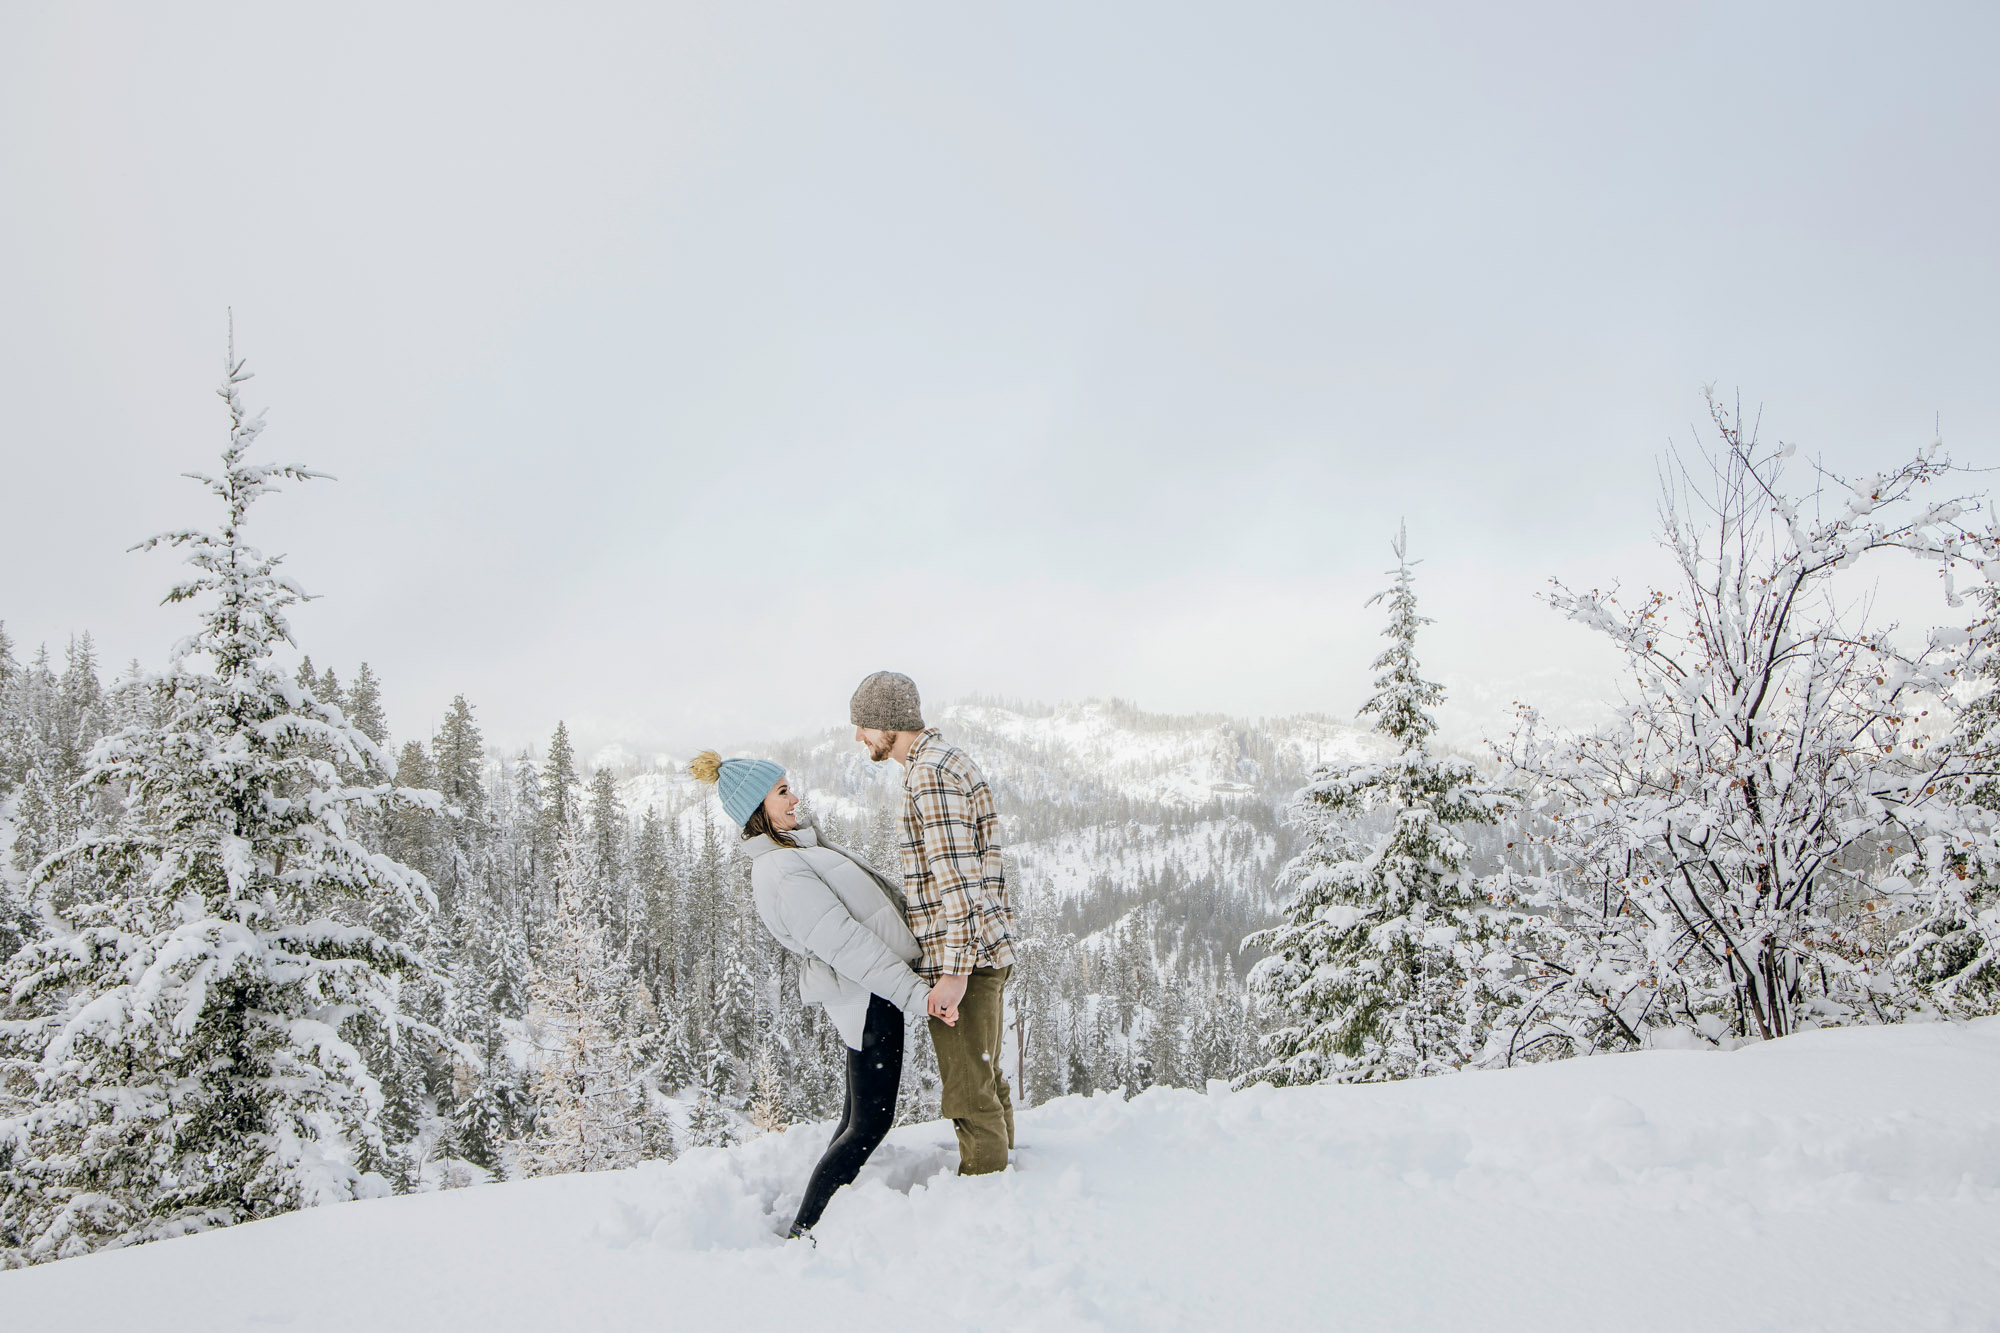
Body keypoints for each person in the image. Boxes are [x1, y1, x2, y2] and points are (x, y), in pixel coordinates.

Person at [689, 748, 937, 1239]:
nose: (795, 797)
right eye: (782, 791)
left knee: (857, 1119)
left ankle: (813, 1220)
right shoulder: (780, 871)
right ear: (758, 808)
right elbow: (845, 943)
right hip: (868, 996)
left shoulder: (792, 853)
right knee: (869, 1124)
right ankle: (806, 1229)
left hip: (869, 992)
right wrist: (915, 994)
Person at [848, 671, 1019, 1176]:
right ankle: (1013, 1180)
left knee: (969, 1090)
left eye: (863, 726)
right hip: (981, 949)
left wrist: (954, 973)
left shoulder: (931, 774)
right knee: (984, 1077)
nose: (859, 738)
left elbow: (958, 881)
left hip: (964, 957)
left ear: (888, 724)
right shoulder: (943, 763)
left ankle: (988, 1191)